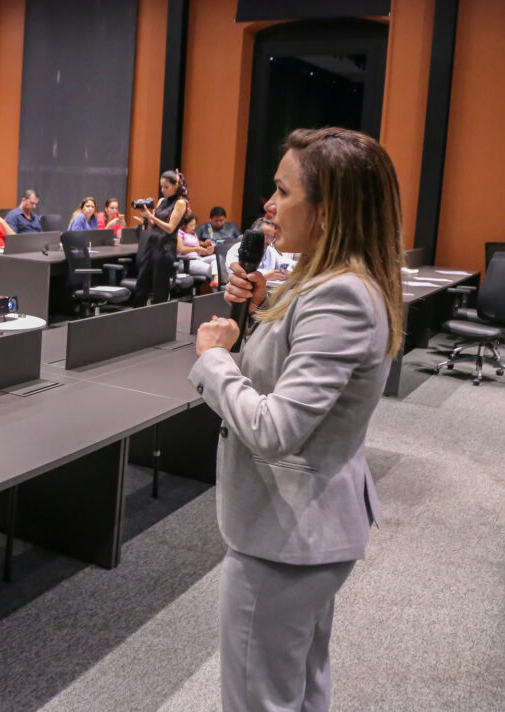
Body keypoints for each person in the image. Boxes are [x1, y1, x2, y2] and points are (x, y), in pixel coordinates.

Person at [188, 127, 404, 712]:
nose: (268, 204)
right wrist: (265, 307)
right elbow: (306, 367)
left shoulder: (341, 295)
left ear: (327, 209)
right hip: (303, 531)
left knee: (261, 700)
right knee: (298, 689)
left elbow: (274, 429)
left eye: (282, 191)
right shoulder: (330, 281)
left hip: (286, 539)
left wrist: (213, 360)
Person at [132, 169, 189, 305]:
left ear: (175, 186)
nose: (162, 190)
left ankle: (159, 320)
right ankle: (135, 317)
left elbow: (170, 228)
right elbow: (155, 224)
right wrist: (146, 216)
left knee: (159, 287)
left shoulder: (180, 203)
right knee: (142, 283)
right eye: (161, 186)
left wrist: (152, 216)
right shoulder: (161, 201)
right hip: (152, 244)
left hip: (165, 248)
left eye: (166, 187)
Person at [225, 217, 291, 281]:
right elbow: (239, 275)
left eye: (272, 237)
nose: (269, 241)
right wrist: (264, 277)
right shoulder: (236, 249)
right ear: (255, 234)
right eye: (266, 236)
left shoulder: (270, 250)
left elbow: (285, 264)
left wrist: (286, 273)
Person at [176, 212, 215, 279]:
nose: (193, 228)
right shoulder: (179, 233)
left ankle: (217, 279)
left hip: (197, 258)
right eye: (191, 226)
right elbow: (181, 249)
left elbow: (199, 250)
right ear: (183, 224)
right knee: (211, 269)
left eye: (194, 225)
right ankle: (217, 283)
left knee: (217, 258)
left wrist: (207, 251)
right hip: (186, 262)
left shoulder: (193, 234)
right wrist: (197, 249)